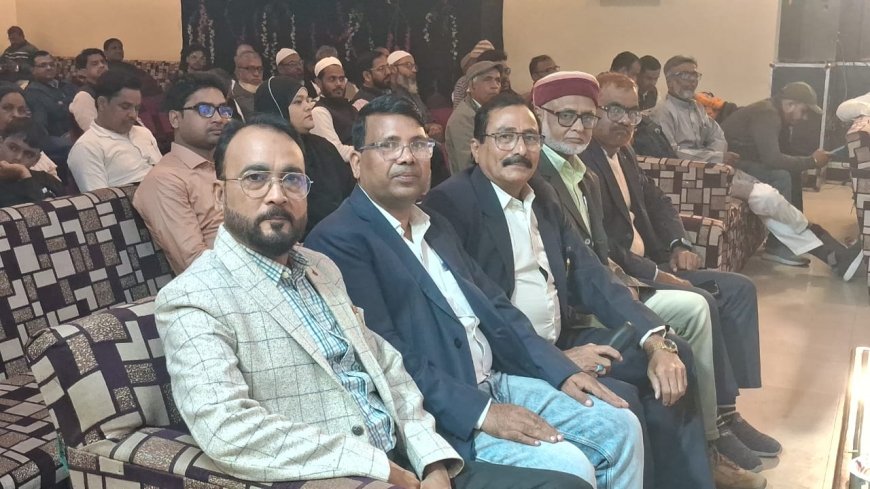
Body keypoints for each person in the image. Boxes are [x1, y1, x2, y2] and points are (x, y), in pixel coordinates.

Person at [156, 113, 588, 489]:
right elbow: (227, 429)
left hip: (411, 462)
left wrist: (431, 459)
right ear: (219, 195)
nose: (276, 195)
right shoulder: (195, 296)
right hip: (346, 476)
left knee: (566, 483)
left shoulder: (319, 268)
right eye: (255, 178)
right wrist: (375, 466)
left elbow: (388, 370)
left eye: (292, 179)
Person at [305, 95, 644, 489]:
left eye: (418, 145)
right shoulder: (340, 240)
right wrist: (484, 412)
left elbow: (496, 308)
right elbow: (387, 357)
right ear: (355, 161)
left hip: (494, 379)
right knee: (568, 465)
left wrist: (560, 370)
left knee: (620, 426)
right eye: (388, 145)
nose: (407, 157)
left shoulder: (434, 224)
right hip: (445, 409)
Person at [426, 90, 722, 489]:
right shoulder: (451, 205)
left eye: (530, 138)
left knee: (674, 355)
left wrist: (655, 340)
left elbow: (592, 274)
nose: (520, 149)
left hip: (562, 337)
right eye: (505, 137)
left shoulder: (542, 195)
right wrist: (557, 361)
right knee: (623, 398)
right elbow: (481, 311)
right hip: (513, 358)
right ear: (476, 148)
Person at [523, 72, 767, 488]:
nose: (579, 126)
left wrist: (675, 244)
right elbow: (586, 264)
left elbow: (645, 210)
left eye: (587, 116)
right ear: (539, 117)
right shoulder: (536, 176)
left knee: (729, 295)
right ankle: (711, 441)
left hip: (621, 278)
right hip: (591, 299)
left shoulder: (593, 168)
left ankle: (722, 421)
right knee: (694, 310)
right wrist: (647, 280)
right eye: (566, 116)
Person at [583, 72, 780, 476]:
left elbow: (658, 201)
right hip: (630, 278)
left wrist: (678, 243)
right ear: (593, 110)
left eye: (632, 112)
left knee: (738, 290)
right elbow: (604, 245)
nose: (624, 121)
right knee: (702, 300)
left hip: (655, 260)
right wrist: (657, 272)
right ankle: (715, 429)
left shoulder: (624, 152)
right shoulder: (583, 163)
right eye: (613, 110)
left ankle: (727, 411)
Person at [652, 55, 862, 278]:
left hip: (718, 169)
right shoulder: (663, 112)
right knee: (768, 198)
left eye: (694, 74)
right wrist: (716, 157)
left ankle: (833, 254)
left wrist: (717, 156)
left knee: (770, 202)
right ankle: (831, 253)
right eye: (684, 75)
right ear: (669, 79)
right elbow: (672, 152)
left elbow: (718, 136)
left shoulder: (697, 108)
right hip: (696, 176)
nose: (691, 80)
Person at [133, 73, 230, 274]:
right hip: (227, 282)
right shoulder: (165, 180)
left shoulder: (227, 166)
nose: (219, 119)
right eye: (205, 110)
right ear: (175, 118)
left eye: (223, 110)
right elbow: (196, 265)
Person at [254, 76, 355, 234]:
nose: (309, 106)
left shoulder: (323, 147)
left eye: (308, 100)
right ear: (277, 108)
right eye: (298, 102)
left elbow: (350, 194)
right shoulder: (262, 157)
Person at [722, 81, 830, 209]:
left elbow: (784, 151)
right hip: (730, 164)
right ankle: (785, 220)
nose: (805, 117)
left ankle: (795, 219)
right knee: (781, 177)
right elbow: (772, 159)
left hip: (745, 160)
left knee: (793, 171)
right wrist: (812, 161)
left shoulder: (776, 114)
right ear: (790, 105)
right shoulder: (768, 114)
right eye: (804, 111)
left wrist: (804, 164)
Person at [67, 71, 161, 192]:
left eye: (137, 108)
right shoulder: (87, 147)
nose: (133, 115)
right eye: (125, 107)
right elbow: (103, 200)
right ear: (102, 103)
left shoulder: (143, 133)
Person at [445, 61, 503, 174]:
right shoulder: (463, 118)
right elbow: (470, 166)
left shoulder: (491, 110)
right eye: (488, 79)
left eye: (498, 80)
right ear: (471, 86)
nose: (495, 86)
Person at [0, 118, 64, 207]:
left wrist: (24, 174)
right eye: (13, 148)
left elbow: (47, 213)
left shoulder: (47, 180)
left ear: (36, 160)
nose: (18, 157)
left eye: (29, 154)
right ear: (1, 142)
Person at [387, 50, 443, 141]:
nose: (414, 70)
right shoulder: (388, 96)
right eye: (408, 65)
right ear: (393, 69)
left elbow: (427, 116)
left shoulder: (413, 93)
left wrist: (434, 127)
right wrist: (427, 127)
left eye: (414, 66)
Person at [310, 57, 358, 162]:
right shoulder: (319, 112)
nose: (339, 84)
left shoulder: (351, 107)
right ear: (318, 82)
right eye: (332, 79)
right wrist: (369, 151)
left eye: (341, 79)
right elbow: (336, 151)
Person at [24, 51, 77, 139]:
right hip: (58, 139)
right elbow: (40, 125)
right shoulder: (32, 93)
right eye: (43, 65)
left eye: (52, 64)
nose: (49, 68)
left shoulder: (66, 85)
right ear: (32, 69)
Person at [452, 49, 517, 108]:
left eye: (506, 71)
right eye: (500, 72)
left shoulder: (514, 100)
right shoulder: (469, 110)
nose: (506, 77)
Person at [69, 48, 109, 136]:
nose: (101, 65)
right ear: (83, 72)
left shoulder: (110, 90)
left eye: (103, 62)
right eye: (95, 64)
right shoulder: (83, 96)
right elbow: (94, 131)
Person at [231, 51, 263, 121]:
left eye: (259, 69)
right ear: (238, 71)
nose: (256, 74)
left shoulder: (270, 91)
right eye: (251, 69)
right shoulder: (231, 95)